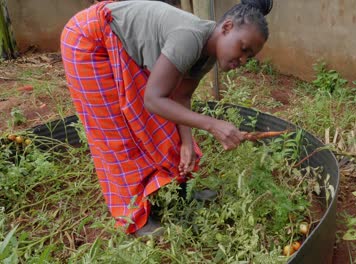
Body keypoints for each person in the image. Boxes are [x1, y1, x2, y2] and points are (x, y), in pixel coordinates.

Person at [60, 0, 273, 236]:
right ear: (227, 28)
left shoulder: (210, 53)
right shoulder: (189, 38)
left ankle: (180, 193)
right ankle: (133, 219)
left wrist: (187, 143)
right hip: (89, 41)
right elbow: (153, 99)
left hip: (116, 42)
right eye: (243, 49)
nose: (242, 61)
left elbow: (180, 97)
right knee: (115, 132)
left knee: (165, 122)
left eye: (249, 57)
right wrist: (212, 124)